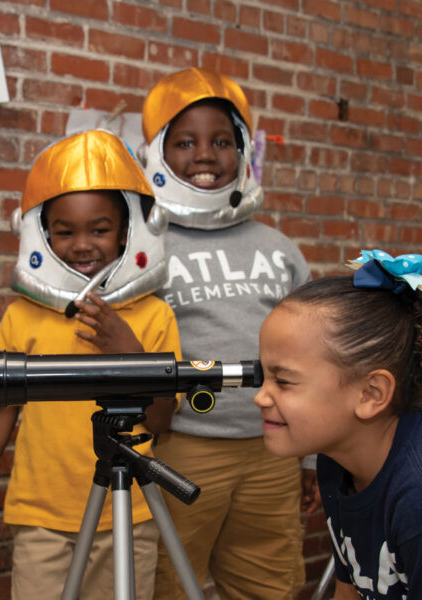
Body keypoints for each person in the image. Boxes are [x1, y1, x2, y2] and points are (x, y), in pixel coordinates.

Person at [0, 129, 182, 600]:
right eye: (65, 231)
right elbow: (0, 410)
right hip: (41, 517)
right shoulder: (23, 316)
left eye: (99, 229)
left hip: (127, 515)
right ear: (42, 234)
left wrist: (129, 351)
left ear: (125, 234)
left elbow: (160, 423)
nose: (82, 245)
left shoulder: (155, 314)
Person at [137, 67, 312, 599]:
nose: (206, 155)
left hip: (273, 448)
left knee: (271, 582)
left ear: (243, 152)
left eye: (221, 141)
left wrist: (309, 455)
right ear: (158, 155)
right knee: (170, 581)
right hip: (184, 446)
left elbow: (312, 353)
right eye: (185, 142)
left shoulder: (279, 247)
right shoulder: (145, 246)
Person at [255, 250, 422, 599]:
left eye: (282, 381)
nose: (260, 397)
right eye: (264, 377)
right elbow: (351, 583)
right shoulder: (337, 463)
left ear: (371, 394)